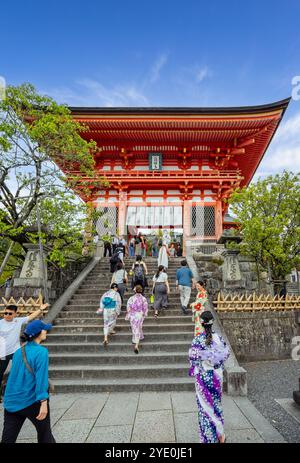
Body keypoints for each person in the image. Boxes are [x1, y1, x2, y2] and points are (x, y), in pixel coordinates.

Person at [1, 319, 55, 443]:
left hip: (11, 400)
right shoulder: (41, 352)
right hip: (32, 401)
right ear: (40, 332)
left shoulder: (19, 352)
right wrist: (43, 402)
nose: (46, 331)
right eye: (44, 329)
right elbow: (41, 379)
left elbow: (15, 376)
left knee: (7, 439)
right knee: (45, 435)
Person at [189, 311, 230, 444]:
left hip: (203, 375)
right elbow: (226, 354)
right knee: (217, 404)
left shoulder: (197, 339)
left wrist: (203, 361)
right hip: (217, 375)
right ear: (212, 323)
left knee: (204, 407)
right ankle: (221, 434)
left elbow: (193, 359)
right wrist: (215, 362)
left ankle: (208, 438)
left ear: (201, 323)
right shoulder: (219, 338)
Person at [0, 303, 49, 402]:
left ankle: (22, 392)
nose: (7, 315)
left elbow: (31, 317)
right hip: (2, 353)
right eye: (5, 313)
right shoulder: (0, 323)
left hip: (16, 351)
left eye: (10, 313)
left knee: (21, 371)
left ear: (15, 314)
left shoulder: (18, 321)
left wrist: (40, 309)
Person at [126, 285, 148, 354]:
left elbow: (128, 307)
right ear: (141, 290)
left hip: (133, 315)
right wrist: (144, 313)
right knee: (138, 327)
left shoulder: (131, 298)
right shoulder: (143, 299)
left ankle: (136, 343)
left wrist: (129, 313)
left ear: (135, 290)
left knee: (135, 328)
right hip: (139, 314)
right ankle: (137, 341)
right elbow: (145, 307)